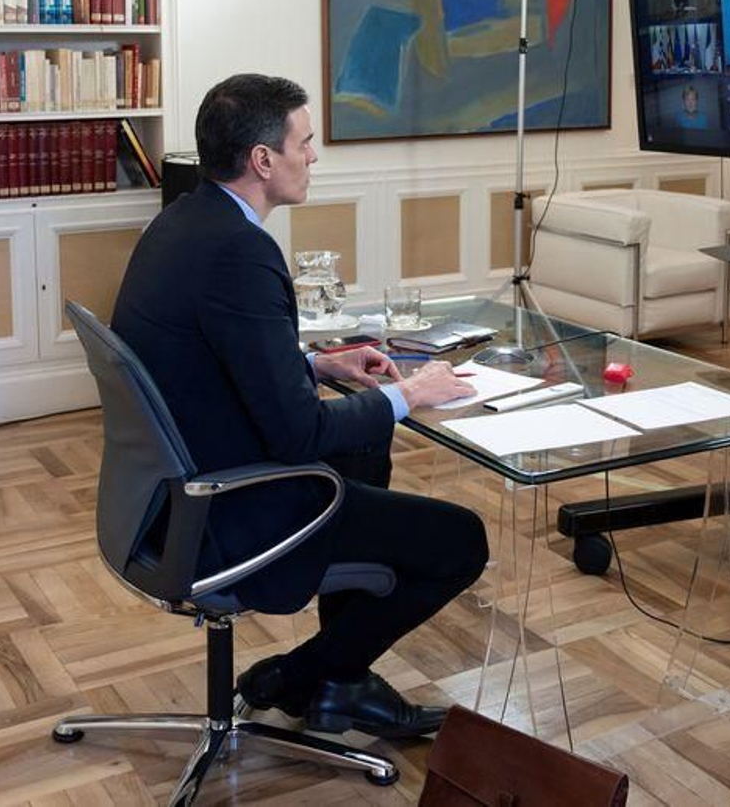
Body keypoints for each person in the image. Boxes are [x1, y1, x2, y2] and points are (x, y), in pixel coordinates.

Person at [110, 74, 487, 740]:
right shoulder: (240, 251)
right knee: (461, 540)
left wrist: (316, 364)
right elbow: (298, 431)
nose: (313, 156)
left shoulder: (184, 222)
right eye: (304, 143)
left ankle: (341, 682)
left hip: (166, 495)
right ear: (263, 160)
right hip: (232, 509)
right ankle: (303, 675)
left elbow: (207, 357)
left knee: (365, 446)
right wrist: (411, 393)